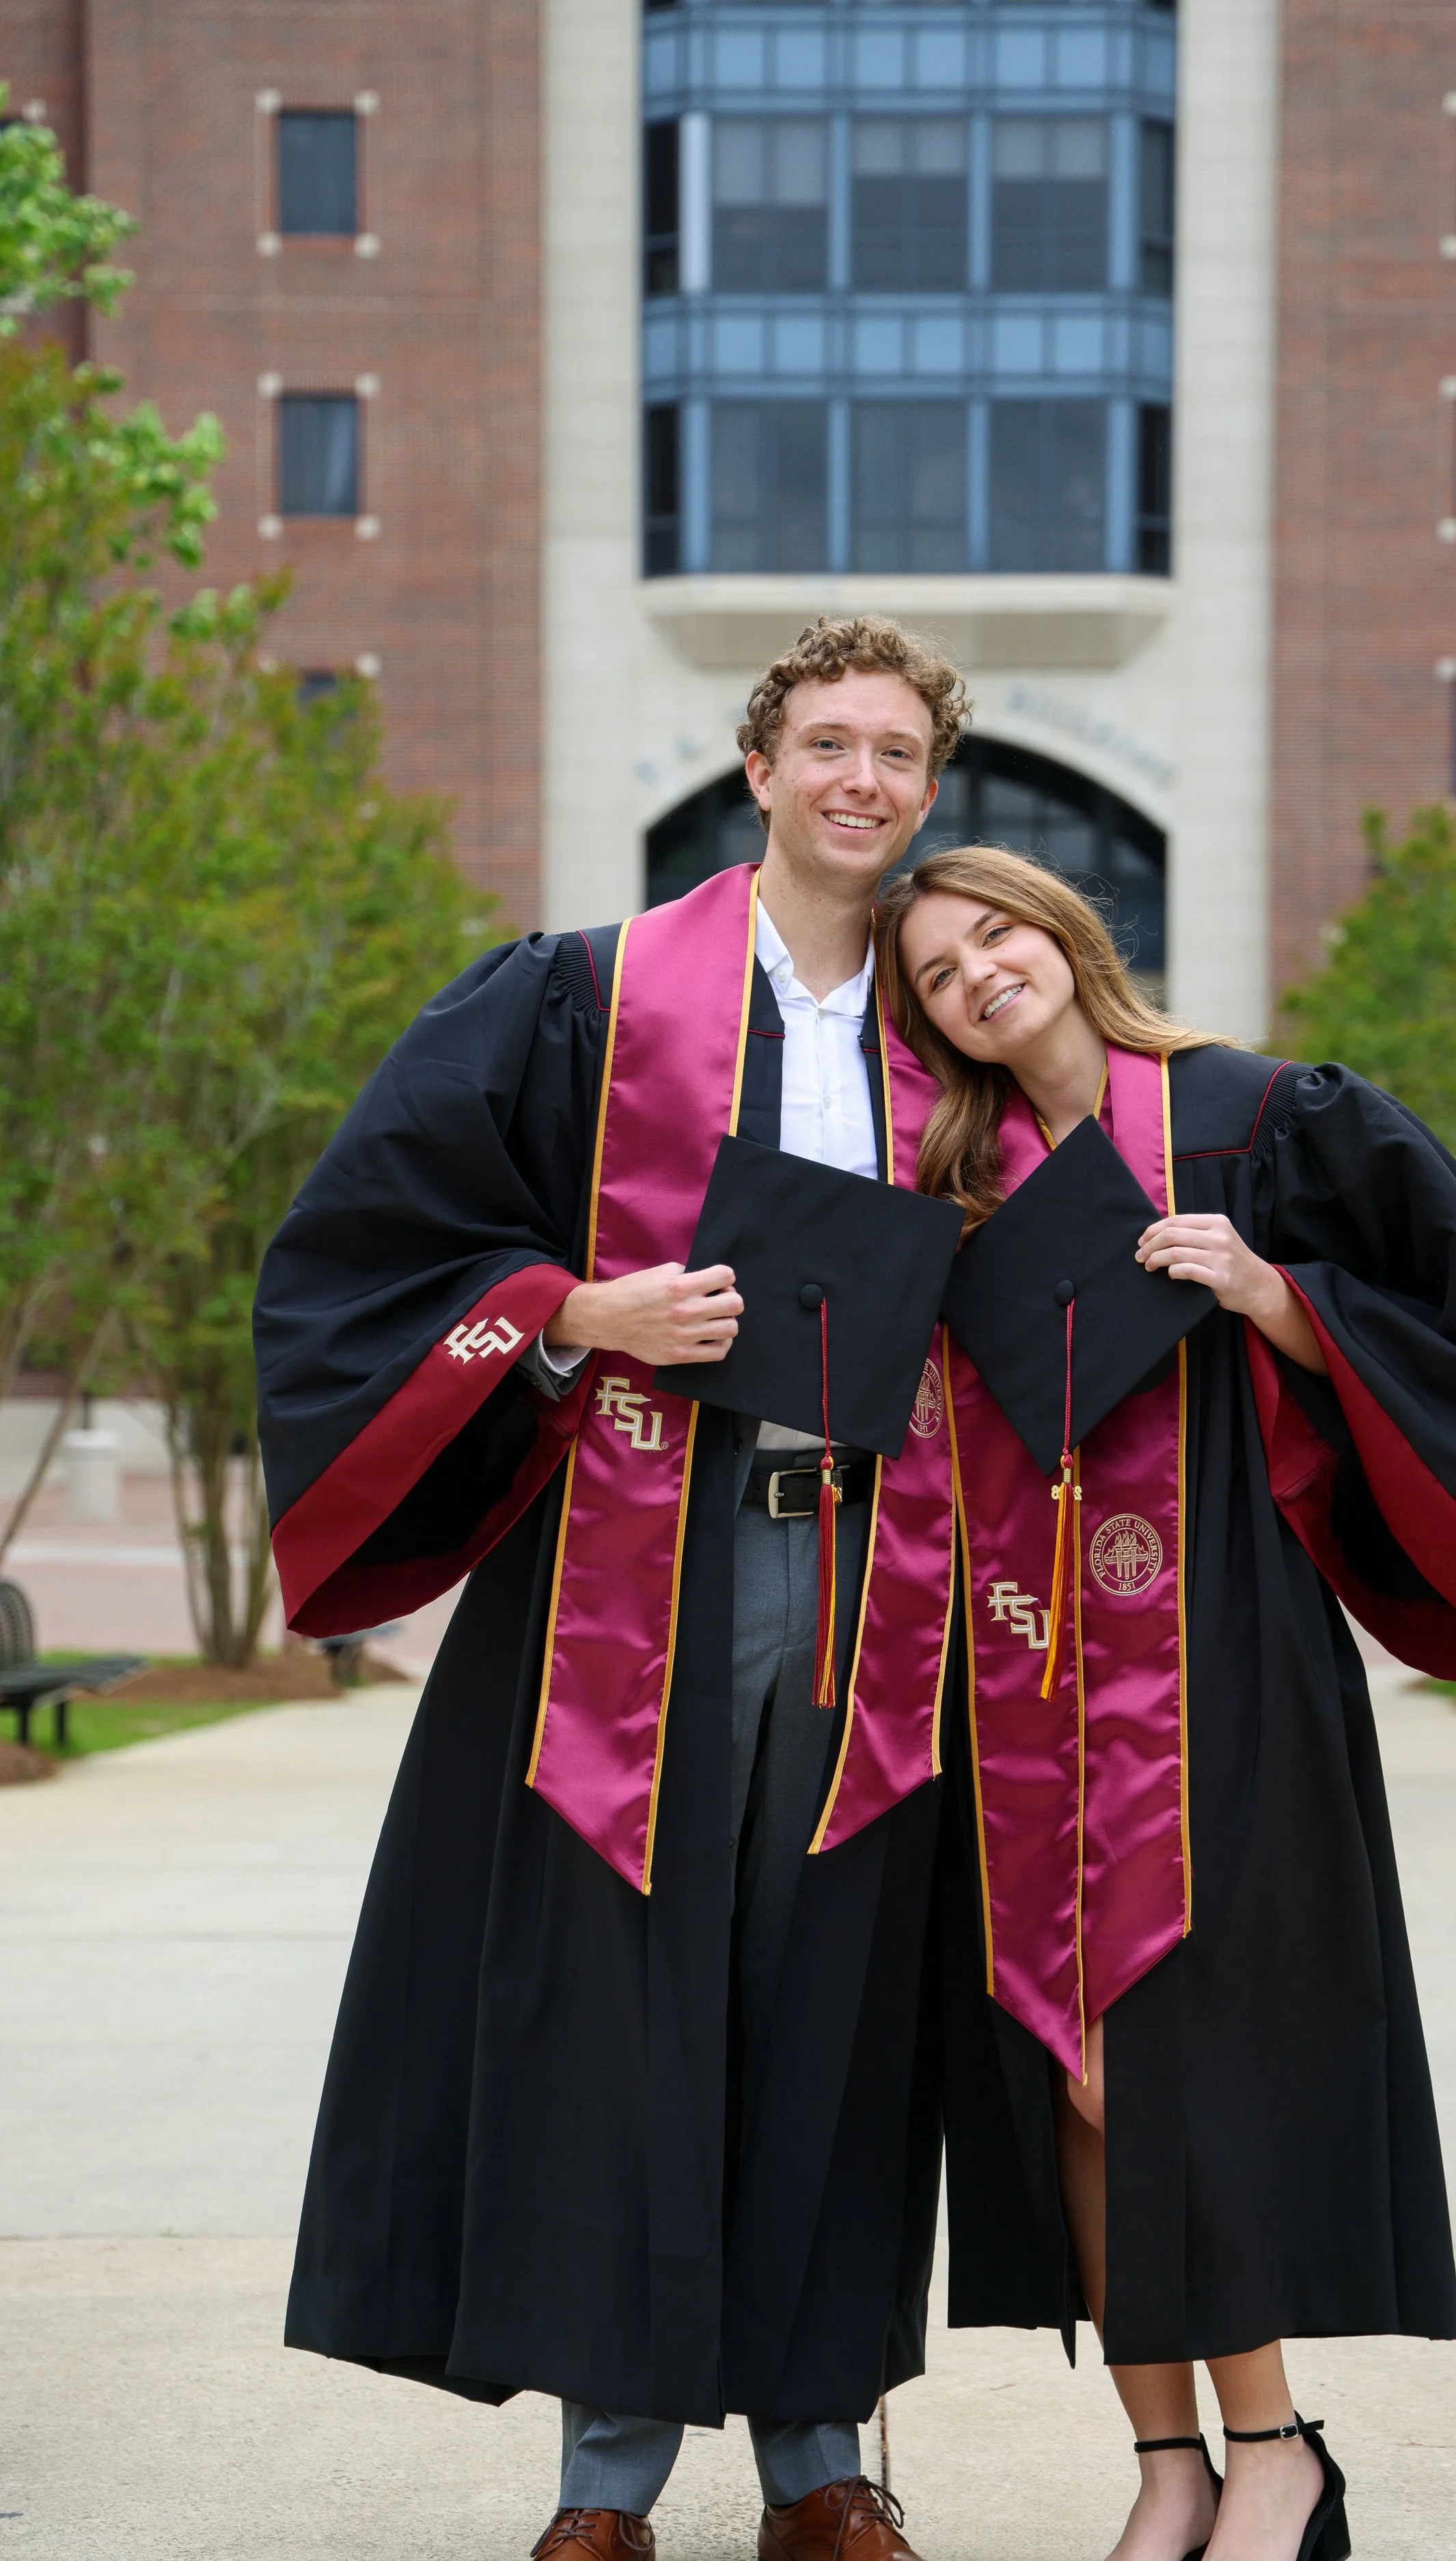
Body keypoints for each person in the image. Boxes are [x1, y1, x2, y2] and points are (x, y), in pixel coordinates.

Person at [256, 618, 974, 2561]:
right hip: (631, 1569)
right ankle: (607, 2483)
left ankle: (820, 2463)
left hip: (869, 1573)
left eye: (896, 751)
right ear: (757, 768)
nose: (860, 777)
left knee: (828, 2006)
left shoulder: (959, 1020)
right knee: (619, 2010)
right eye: (826, 739)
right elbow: (362, 1235)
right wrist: (572, 1307)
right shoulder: (584, 996)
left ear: (928, 786)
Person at [874, 846, 1456, 2561]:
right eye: (938, 973)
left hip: (1220, 1662)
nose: (976, 975)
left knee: (1169, 2065)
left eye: (993, 933)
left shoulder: (1258, 1114)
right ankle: (1168, 2464)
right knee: (1062, 2069)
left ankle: (1274, 2451)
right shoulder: (954, 1186)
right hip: (1024, 1677)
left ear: (1059, 926)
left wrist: (1277, 1295)